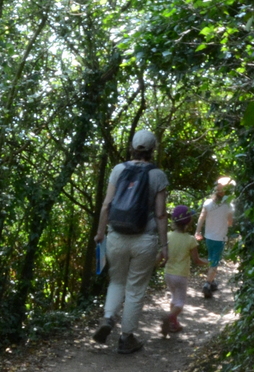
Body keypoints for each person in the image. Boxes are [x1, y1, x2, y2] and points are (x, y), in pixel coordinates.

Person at [92, 129, 169, 354]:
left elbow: (106, 205)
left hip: (116, 236)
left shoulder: (119, 170)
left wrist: (100, 233)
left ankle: (108, 317)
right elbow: (161, 214)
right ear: (153, 150)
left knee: (116, 281)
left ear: (132, 147)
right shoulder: (158, 175)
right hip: (144, 239)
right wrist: (164, 246)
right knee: (135, 289)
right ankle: (126, 338)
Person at [161, 205, 202, 336]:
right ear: (189, 222)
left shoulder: (167, 236)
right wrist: (209, 262)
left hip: (168, 273)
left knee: (174, 298)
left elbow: (162, 254)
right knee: (180, 302)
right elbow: (196, 260)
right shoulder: (190, 240)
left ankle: (174, 324)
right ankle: (169, 318)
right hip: (181, 275)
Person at [196, 175, 234, 296]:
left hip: (208, 237)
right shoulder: (229, 206)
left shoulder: (208, 203)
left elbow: (201, 218)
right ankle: (207, 284)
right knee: (215, 262)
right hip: (219, 238)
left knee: (211, 259)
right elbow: (230, 223)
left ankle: (212, 282)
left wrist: (197, 231)